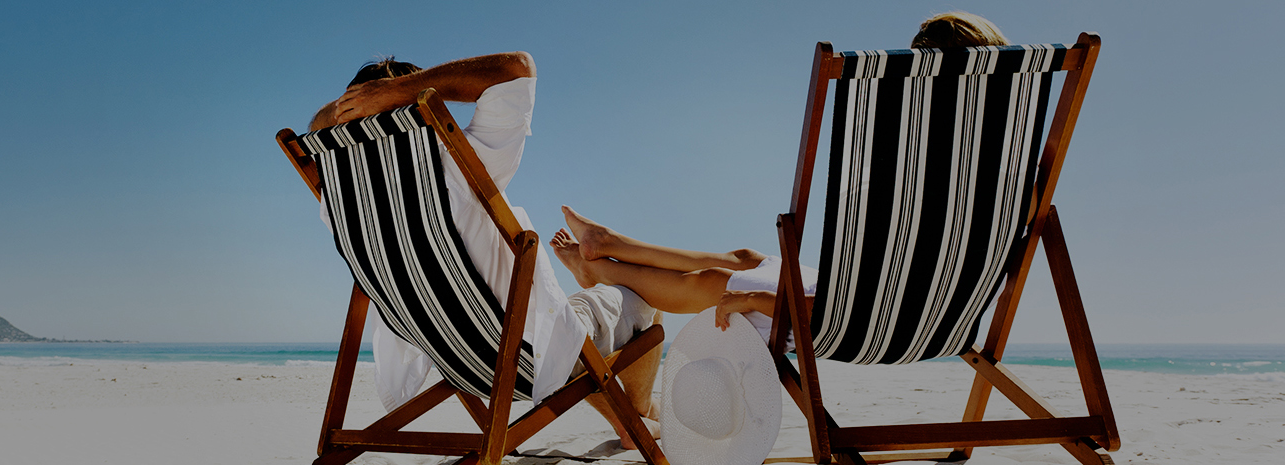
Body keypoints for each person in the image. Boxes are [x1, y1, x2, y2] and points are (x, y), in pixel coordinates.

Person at [549, 11, 1013, 342]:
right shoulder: (1009, 166)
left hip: (859, 318)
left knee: (719, 282)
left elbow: (866, 300)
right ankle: (607, 245)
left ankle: (598, 267)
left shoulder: (911, 163)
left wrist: (755, 303)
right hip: (908, 311)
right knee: (747, 259)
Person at [307, 52, 665, 449]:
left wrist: (359, 103)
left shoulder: (338, 202)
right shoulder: (461, 165)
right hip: (527, 356)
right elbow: (518, 69)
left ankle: (627, 419)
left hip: (456, 363)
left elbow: (314, 128)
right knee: (644, 293)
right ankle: (638, 418)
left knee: (567, 337)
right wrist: (396, 91)